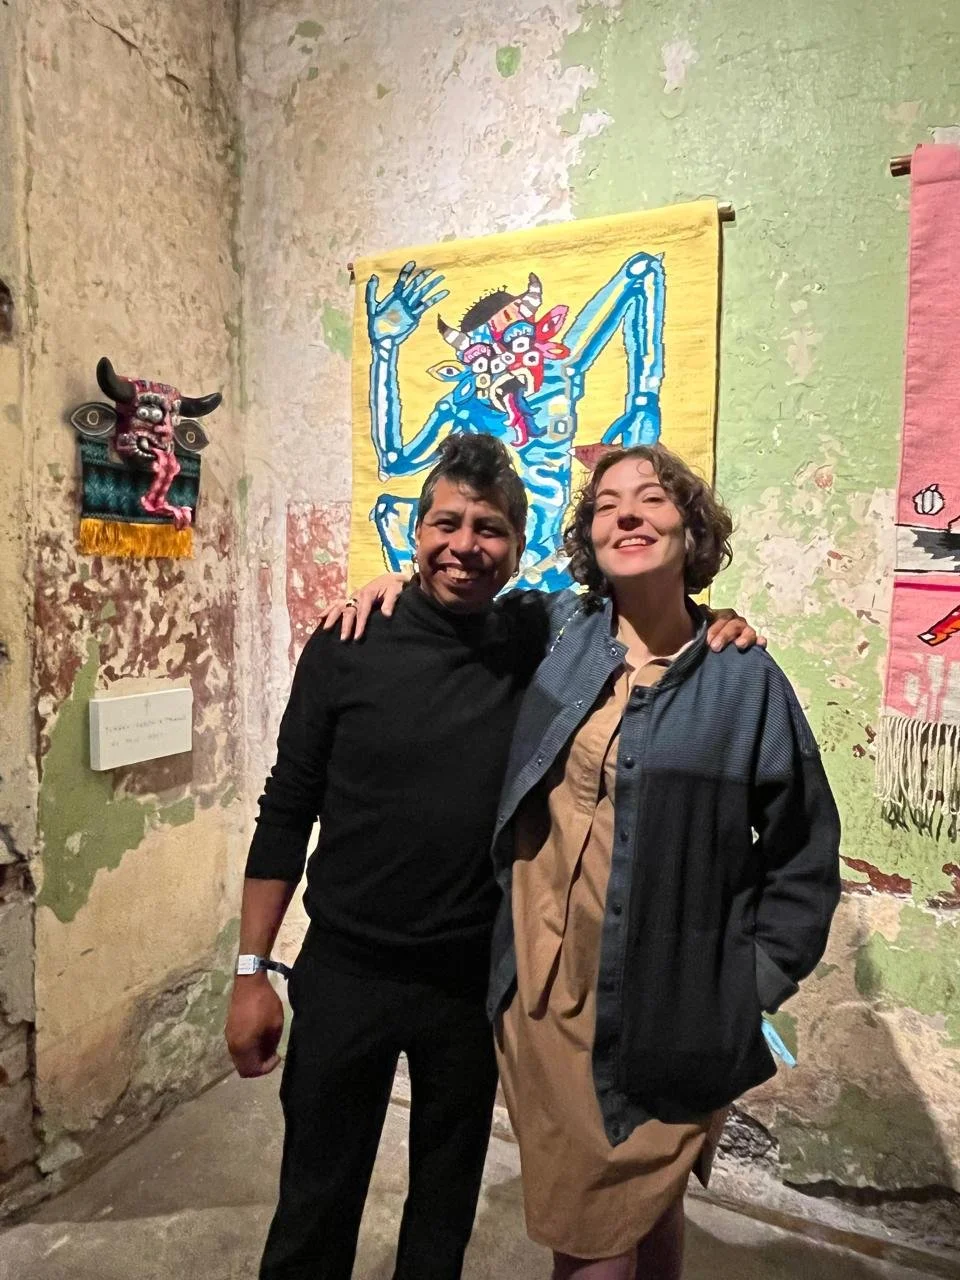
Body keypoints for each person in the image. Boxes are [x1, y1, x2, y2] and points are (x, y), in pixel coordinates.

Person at [225, 434, 762, 1280]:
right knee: (312, 1210)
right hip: (346, 973)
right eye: (446, 524)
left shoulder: (537, 639)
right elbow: (285, 810)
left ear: (516, 547)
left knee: (443, 1219)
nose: (464, 547)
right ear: (415, 532)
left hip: (473, 986)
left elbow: (643, 606)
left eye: (489, 529)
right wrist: (251, 971)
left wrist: (717, 622)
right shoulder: (349, 642)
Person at [486, 444, 842, 1280]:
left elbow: (803, 851)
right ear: (590, 535)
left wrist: (747, 987)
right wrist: (386, 590)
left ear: (692, 529)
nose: (627, 514)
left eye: (651, 498)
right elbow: (452, 606)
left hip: (675, 1010)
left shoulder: (742, 679)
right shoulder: (557, 633)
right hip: (549, 998)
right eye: (607, 504)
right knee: (603, 1231)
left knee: (641, 1212)